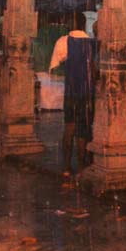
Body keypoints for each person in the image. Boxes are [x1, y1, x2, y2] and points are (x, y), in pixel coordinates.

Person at [49, 12, 97, 176]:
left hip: (71, 91)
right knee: (84, 128)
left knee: (69, 127)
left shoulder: (63, 42)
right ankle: (83, 165)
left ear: (69, 24)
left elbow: (55, 67)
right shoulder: (92, 43)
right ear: (85, 25)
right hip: (88, 93)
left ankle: (67, 166)